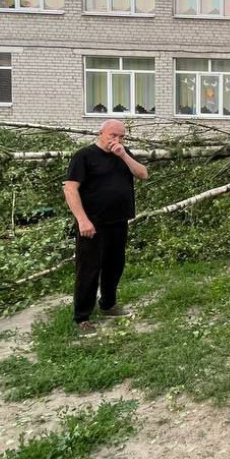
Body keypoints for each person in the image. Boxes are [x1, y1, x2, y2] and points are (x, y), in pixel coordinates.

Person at [63, 119, 149, 337]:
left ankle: (108, 305)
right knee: (89, 270)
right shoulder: (84, 156)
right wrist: (82, 220)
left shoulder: (123, 154)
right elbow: (70, 189)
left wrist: (123, 154)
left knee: (114, 266)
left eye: (121, 136)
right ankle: (82, 317)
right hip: (92, 224)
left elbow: (143, 174)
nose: (117, 140)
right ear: (101, 133)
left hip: (119, 221)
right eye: (112, 135)